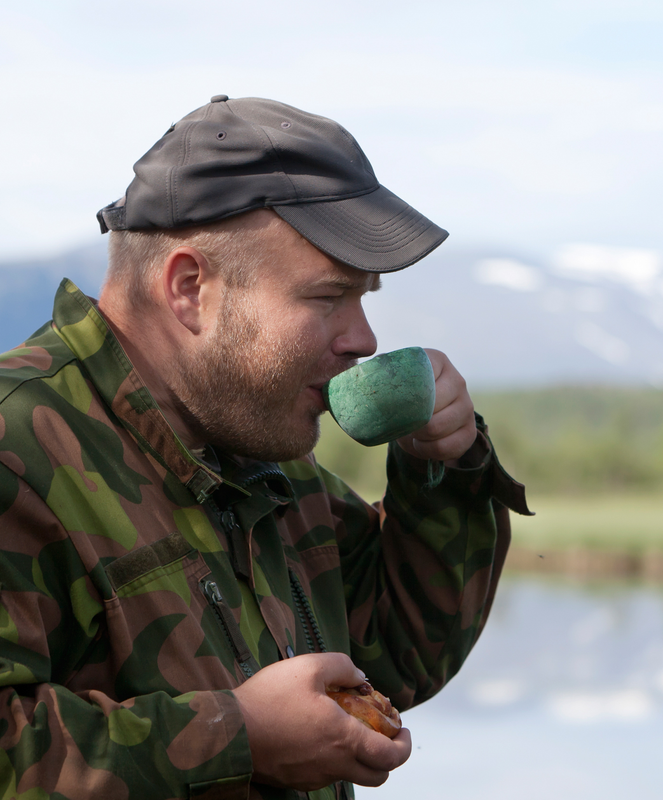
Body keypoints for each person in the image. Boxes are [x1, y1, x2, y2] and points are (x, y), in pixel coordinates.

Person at [0, 95, 530, 799]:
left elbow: (397, 653)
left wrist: (444, 471)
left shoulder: (254, 445)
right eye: (326, 298)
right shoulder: (17, 448)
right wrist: (238, 737)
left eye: (364, 298)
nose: (363, 339)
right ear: (190, 288)